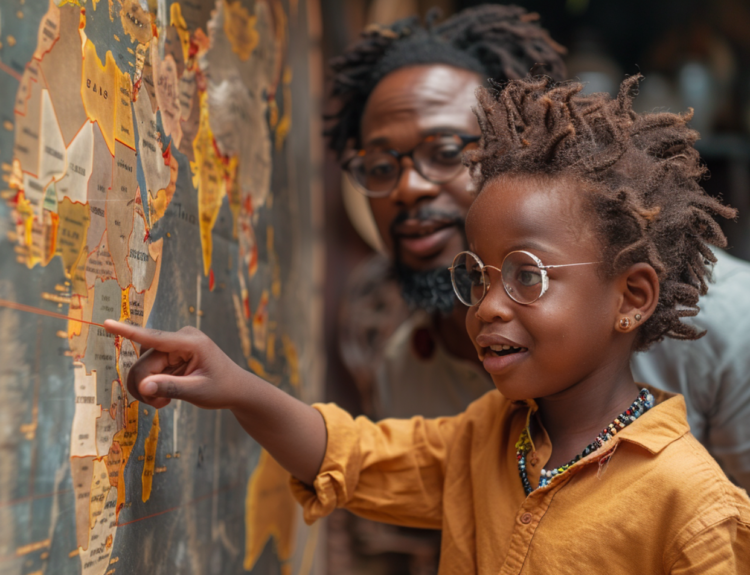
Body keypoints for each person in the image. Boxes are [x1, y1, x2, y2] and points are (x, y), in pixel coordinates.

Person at [105, 75, 750, 574]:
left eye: (528, 275)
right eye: (478, 276)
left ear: (631, 297)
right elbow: (349, 456)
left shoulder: (692, 507)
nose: (489, 306)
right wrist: (235, 384)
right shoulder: (485, 441)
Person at [330, 6, 750, 493]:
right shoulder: (407, 378)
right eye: (381, 166)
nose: (408, 188)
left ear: (522, 155)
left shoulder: (723, 324)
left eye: (446, 153)